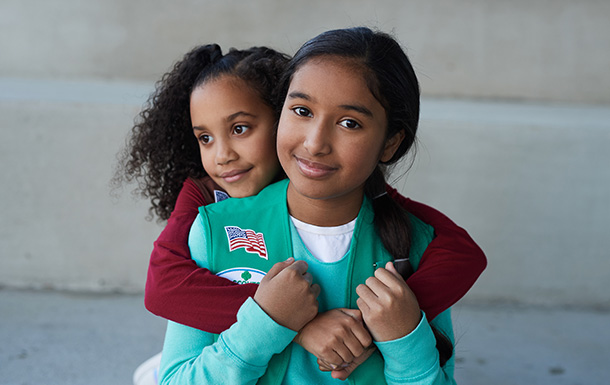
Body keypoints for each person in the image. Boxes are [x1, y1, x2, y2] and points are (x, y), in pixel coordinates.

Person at [156, 27, 483, 384]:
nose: (314, 144)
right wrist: (263, 324)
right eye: (301, 110)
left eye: (349, 123)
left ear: (390, 143)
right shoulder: (212, 229)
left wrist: (405, 340)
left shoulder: (415, 248)